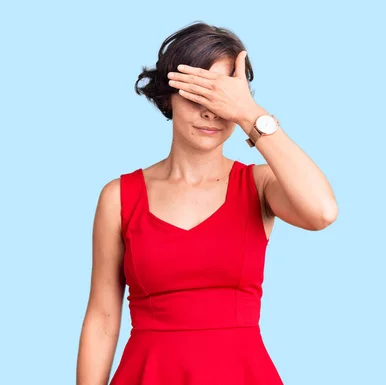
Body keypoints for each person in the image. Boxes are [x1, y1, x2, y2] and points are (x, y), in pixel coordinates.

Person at [76, 21, 337, 385]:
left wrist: (249, 114)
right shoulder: (119, 197)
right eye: (198, 94)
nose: (211, 111)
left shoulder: (259, 185)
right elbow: (102, 318)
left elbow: (322, 212)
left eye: (222, 96)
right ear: (168, 95)